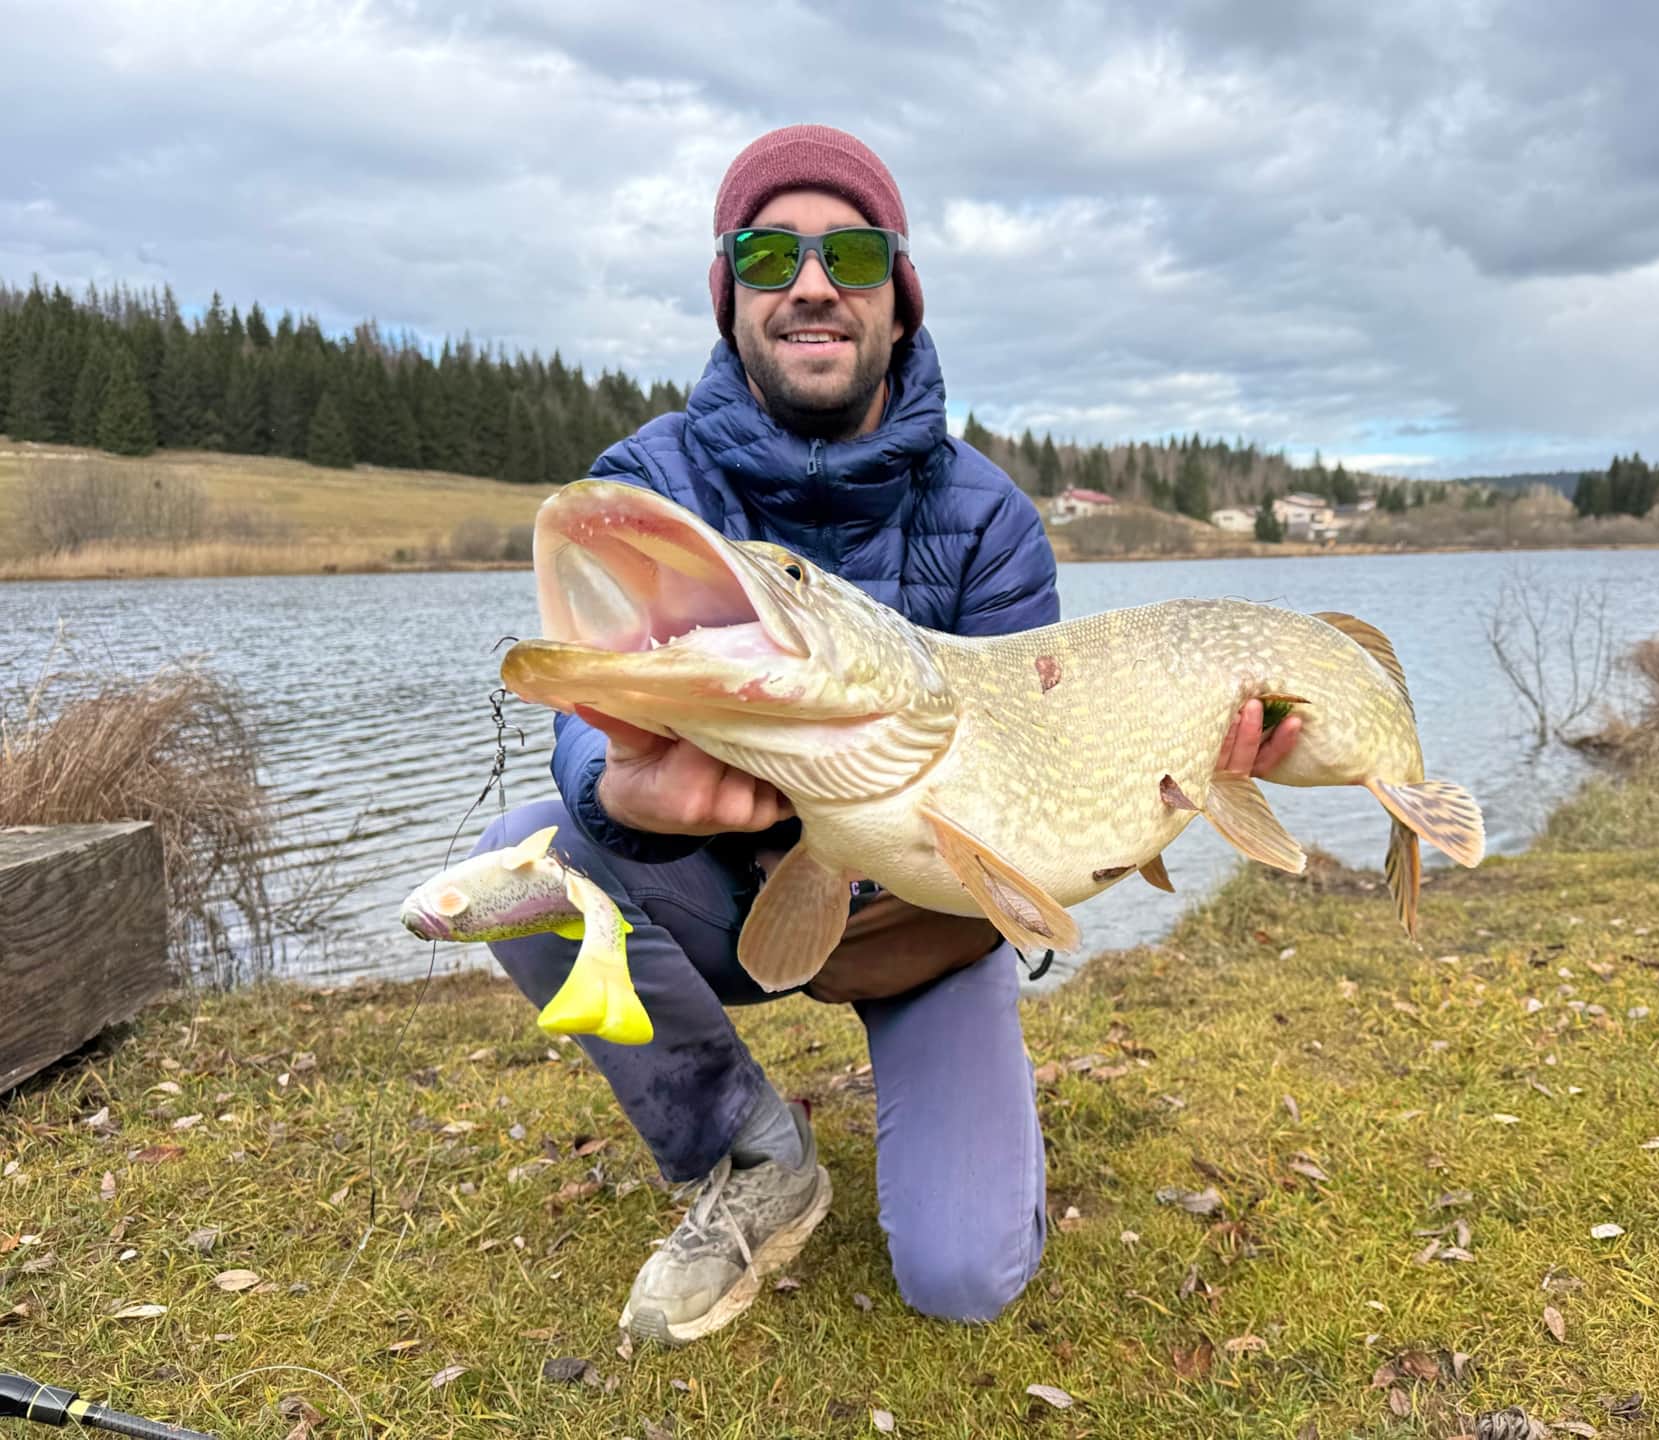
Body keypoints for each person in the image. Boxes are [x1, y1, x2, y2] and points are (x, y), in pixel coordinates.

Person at [476, 123, 1299, 1345]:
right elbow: (597, 694)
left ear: (898, 302)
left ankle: (951, 1105)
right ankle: (751, 1155)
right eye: (770, 253)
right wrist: (618, 798)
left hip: (929, 922)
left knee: (964, 1278)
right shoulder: (652, 485)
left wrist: (1178, 778)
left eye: (852, 255)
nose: (812, 283)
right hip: (725, 888)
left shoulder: (988, 520)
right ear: (732, 295)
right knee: (529, 868)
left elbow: (1050, 778)